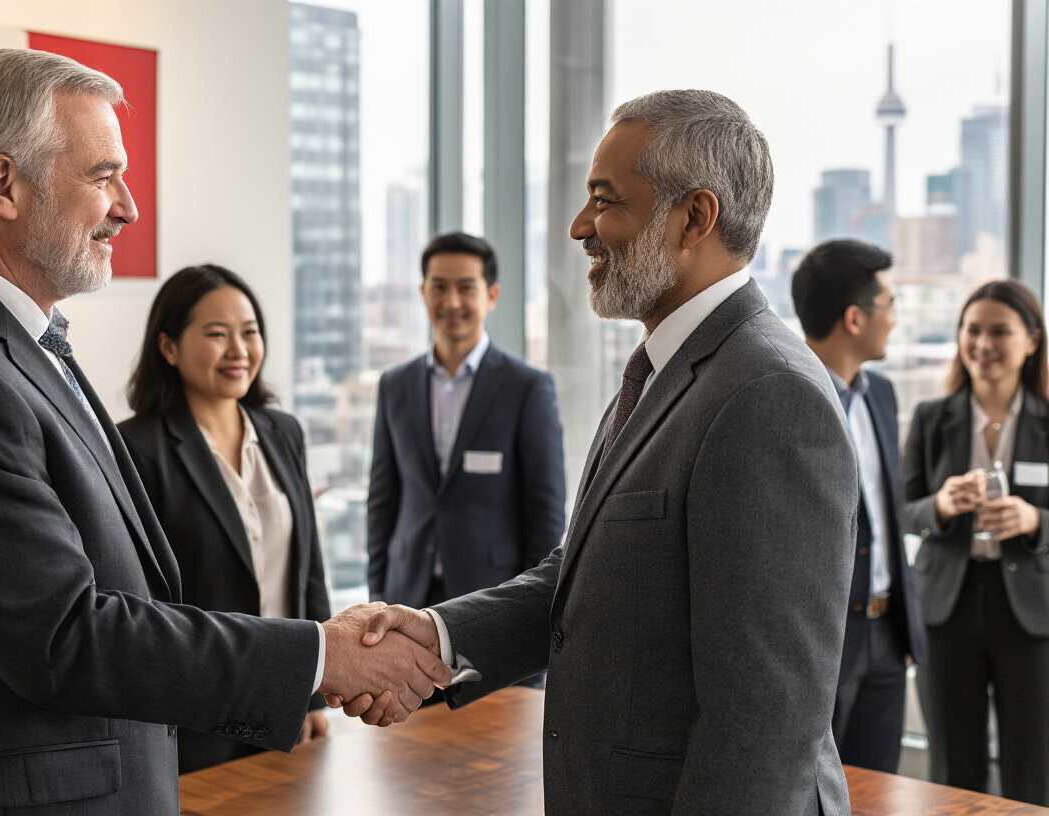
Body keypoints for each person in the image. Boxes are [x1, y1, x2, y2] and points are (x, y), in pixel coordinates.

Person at [0, 48, 447, 815]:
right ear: (3, 184)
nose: (128, 207)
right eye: (102, 175)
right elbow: (64, 635)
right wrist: (320, 656)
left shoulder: (6, 341)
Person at [340, 90, 860, 815]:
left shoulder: (767, 392)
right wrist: (438, 632)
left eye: (604, 200)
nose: (581, 226)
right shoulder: (664, 368)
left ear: (695, 217)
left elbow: (764, 722)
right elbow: (587, 575)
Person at [117, 265, 332, 772]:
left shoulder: (283, 433)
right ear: (168, 348)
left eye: (250, 332)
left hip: (287, 704)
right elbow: (141, 602)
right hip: (195, 718)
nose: (239, 350)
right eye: (217, 334)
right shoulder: (136, 449)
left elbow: (310, 573)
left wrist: (318, 693)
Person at [904, 279, 1049, 805]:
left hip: (1032, 616)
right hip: (948, 611)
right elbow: (902, 508)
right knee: (951, 769)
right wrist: (941, 505)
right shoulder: (930, 418)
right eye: (972, 330)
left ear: (1032, 341)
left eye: (999, 332)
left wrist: (1034, 519)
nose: (982, 344)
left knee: (1033, 769)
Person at [367, 232, 565, 615]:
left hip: (490, 598)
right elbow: (382, 500)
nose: (451, 302)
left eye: (466, 288)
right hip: (405, 591)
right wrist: (378, 594)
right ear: (423, 292)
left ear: (491, 295)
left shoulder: (526, 387)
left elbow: (545, 513)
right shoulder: (395, 386)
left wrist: (529, 609)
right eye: (439, 287)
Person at [791, 239, 928, 773]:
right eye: (890, 305)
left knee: (879, 792)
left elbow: (888, 512)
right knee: (810, 796)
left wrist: (904, 630)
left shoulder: (883, 394)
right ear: (854, 317)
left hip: (887, 639)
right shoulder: (785, 396)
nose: (894, 319)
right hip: (824, 644)